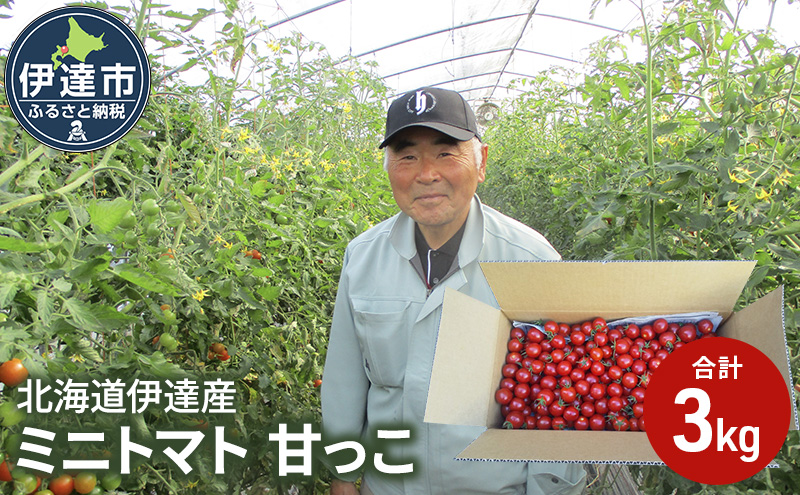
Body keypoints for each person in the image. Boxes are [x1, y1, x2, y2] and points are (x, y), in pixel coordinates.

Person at [321, 87, 587, 495]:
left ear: (481, 162)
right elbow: (345, 376)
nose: (426, 173)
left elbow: (559, 397)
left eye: (446, 153)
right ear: (389, 167)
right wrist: (342, 474)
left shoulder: (531, 261)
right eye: (407, 156)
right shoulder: (363, 257)